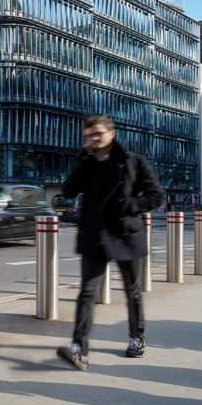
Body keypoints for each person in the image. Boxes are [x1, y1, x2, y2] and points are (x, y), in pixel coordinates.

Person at [56, 115, 164, 370]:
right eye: (88, 136)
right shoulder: (87, 162)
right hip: (94, 235)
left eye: (97, 134)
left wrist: (130, 205)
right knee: (86, 293)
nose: (92, 139)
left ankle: (137, 337)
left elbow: (156, 195)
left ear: (111, 133)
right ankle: (78, 348)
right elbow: (69, 190)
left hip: (125, 233)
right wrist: (82, 160)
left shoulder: (132, 161)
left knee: (132, 291)